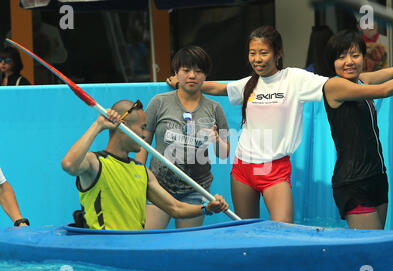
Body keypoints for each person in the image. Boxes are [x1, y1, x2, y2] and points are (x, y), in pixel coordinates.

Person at [167, 26, 328, 223]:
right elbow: (218, 88)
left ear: (278, 53)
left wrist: (364, 81)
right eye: (252, 53)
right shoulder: (249, 83)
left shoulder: (294, 78)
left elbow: (331, 86)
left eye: (263, 53)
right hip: (243, 168)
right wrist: (180, 83)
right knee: (246, 230)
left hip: (273, 168)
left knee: (285, 230)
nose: (257, 59)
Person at [322, 29, 393, 229]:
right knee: (369, 250)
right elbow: (384, 90)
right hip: (352, 181)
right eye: (341, 57)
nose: (349, 61)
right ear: (332, 62)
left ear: (363, 58)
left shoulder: (362, 80)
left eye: (355, 55)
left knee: (379, 246)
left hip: (377, 177)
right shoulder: (334, 86)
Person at [61, 100, 229, 231]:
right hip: (103, 250)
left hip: (132, 251)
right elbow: (68, 164)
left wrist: (207, 208)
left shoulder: (142, 172)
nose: (144, 134)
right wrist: (98, 126)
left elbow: (175, 208)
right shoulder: (95, 163)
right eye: (142, 127)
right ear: (124, 127)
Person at [136, 46, 230, 229]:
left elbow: (224, 154)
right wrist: (139, 177)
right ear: (176, 73)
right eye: (186, 70)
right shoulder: (159, 102)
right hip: (158, 186)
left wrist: (216, 140)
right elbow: (143, 142)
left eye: (199, 71)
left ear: (206, 75)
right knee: (148, 241)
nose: (192, 75)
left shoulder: (215, 108)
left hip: (196, 189)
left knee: (187, 244)